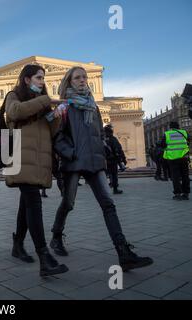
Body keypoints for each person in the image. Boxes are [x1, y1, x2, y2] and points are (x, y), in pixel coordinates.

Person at [51, 66, 153, 272]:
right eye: (77, 77)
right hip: (74, 163)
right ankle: (55, 236)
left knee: (108, 204)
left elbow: (99, 133)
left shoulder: (93, 106)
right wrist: (70, 153)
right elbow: (56, 138)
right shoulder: (64, 108)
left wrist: (101, 153)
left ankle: (123, 252)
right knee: (68, 203)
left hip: (95, 162)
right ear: (69, 82)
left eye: (84, 77)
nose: (82, 80)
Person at [4, 64, 68, 276]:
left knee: (27, 204)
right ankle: (44, 256)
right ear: (26, 79)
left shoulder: (42, 104)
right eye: (39, 78)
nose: (42, 81)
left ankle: (18, 245)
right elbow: (15, 112)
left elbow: (49, 131)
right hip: (21, 159)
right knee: (34, 203)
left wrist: (57, 116)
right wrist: (46, 100)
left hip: (38, 160)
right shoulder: (14, 96)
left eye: (43, 78)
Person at [161, 121, 190, 200]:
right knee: (185, 175)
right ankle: (186, 193)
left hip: (173, 158)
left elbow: (162, 145)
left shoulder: (167, 134)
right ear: (178, 126)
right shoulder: (184, 132)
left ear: (171, 127)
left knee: (175, 177)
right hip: (184, 157)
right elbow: (189, 141)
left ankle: (177, 193)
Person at [104, 124, 126, 194]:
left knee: (103, 175)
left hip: (103, 161)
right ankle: (115, 189)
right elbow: (119, 150)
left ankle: (103, 190)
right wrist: (122, 160)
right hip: (113, 160)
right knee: (114, 174)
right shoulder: (113, 139)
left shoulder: (101, 140)